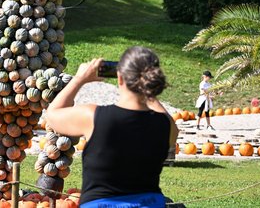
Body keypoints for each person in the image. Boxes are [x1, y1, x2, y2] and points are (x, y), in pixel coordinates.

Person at [46, 46, 178, 208]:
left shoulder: (93, 117)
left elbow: (52, 116)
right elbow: (166, 119)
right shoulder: (165, 125)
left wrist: (79, 78)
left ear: (120, 78)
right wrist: (147, 91)